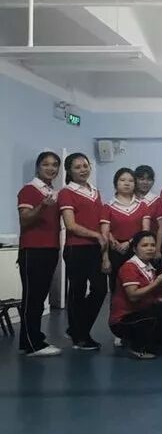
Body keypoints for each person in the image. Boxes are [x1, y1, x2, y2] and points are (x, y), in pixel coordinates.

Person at [109, 231, 162, 360]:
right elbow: (133, 296)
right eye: (145, 245)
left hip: (141, 312)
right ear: (134, 249)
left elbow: (148, 295)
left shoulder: (149, 267)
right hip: (122, 320)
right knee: (152, 318)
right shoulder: (129, 267)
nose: (150, 248)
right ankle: (136, 348)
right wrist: (156, 283)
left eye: (152, 245)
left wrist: (160, 300)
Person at [58, 152, 107, 351]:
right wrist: (96, 235)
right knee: (77, 292)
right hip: (76, 248)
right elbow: (70, 225)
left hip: (96, 248)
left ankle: (78, 329)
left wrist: (102, 238)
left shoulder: (95, 192)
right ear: (69, 171)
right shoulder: (66, 192)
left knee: (100, 290)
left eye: (85, 166)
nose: (83, 170)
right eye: (77, 167)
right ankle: (80, 336)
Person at [17, 151, 63, 356]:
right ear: (38, 167)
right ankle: (31, 344)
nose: (51, 168)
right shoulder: (29, 190)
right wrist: (42, 205)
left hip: (50, 249)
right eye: (46, 164)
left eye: (54, 165)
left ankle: (34, 339)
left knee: (40, 297)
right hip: (32, 250)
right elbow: (25, 219)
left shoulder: (53, 192)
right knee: (32, 298)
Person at [100, 168, 150, 293]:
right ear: (115, 183)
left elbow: (145, 231)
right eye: (122, 180)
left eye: (130, 181)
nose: (127, 183)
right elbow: (105, 233)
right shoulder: (107, 206)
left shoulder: (142, 205)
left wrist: (129, 242)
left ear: (135, 184)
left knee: (138, 285)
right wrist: (106, 257)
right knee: (116, 286)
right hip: (115, 250)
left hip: (137, 250)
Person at [134, 165, 162, 268]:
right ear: (135, 180)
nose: (145, 182)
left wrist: (158, 249)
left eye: (149, 179)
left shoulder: (157, 200)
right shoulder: (130, 199)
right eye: (141, 179)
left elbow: (161, 227)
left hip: (151, 247)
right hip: (132, 246)